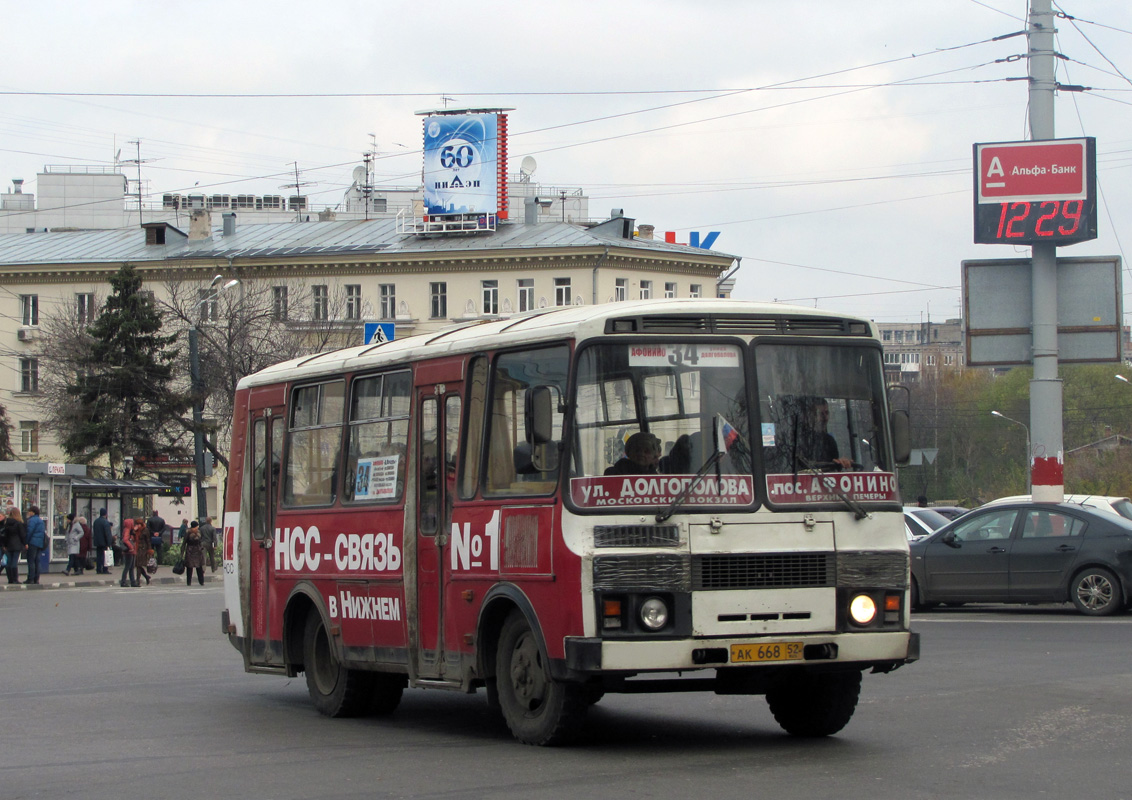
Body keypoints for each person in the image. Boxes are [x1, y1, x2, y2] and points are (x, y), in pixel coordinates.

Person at [2, 506, 27, 585]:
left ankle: (10, 579)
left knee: (9, 562)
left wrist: (5, 545)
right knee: (14, 562)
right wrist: (25, 544)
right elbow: (22, 535)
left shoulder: (6, 523)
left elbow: (5, 535)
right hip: (17, 545)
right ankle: (15, 579)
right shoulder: (19, 523)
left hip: (8, 545)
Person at [24, 505, 46, 584]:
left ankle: (30, 578)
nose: (28, 513)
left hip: (32, 542)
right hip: (39, 543)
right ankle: (36, 579)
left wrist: (26, 542)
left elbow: (29, 531)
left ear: (32, 512)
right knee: (37, 561)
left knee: (31, 561)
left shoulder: (32, 520)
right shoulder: (40, 521)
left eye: (29, 511)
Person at [182, 520, 206, 586]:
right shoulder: (188, 532)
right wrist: (182, 553)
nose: (197, 527)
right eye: (196, 526)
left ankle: (201, 581)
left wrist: (201, 547)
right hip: (190, 550)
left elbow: (200, 541)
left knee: (199, 567)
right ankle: (189, 582)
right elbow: (184, 543)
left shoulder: (199, 532)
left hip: (198, 551)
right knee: (189, 567)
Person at [120, 518, 140, 588]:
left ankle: (132, 581)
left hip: (131, 551)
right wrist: (131, 547)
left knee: (131, 567)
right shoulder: (127, 530)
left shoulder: (129, 530)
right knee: (128, 567)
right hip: (129, 551)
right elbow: (125, 539)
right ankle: (124, 581)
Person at [92, 508, 113, 574]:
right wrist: (109, 542)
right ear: (106, 514)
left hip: (97, 542)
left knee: (99, 556)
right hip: (104, 542)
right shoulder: (106, 522)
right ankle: (104, 569)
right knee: (105, 556)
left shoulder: (96, 521)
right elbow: (107, 533)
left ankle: (98, 569)